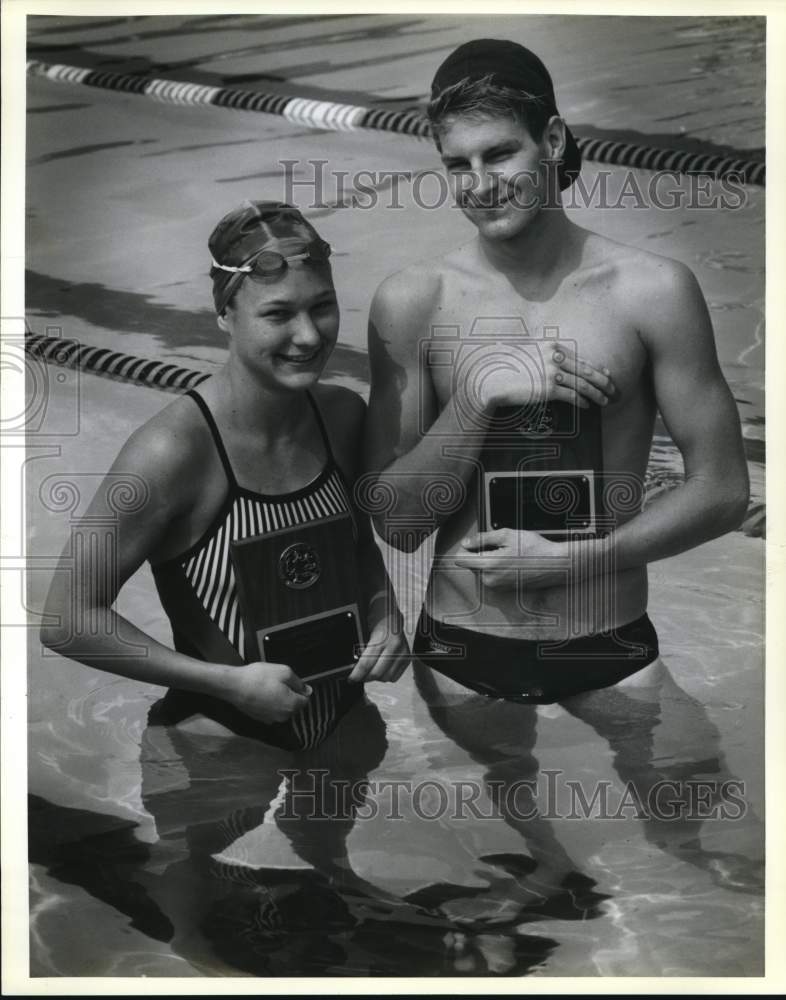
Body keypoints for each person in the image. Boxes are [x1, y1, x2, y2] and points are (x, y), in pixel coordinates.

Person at [363, 40, 756, 916]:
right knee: (535, 882)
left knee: (725, 859)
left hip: (610, 644)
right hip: (465, 656)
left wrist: (570, 563)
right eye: (456, 165)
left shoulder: (652, 290)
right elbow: (393, 519)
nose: (480, 183)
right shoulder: (413, 301)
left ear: (553, 140)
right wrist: (476, 394)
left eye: (499, 152)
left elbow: (724, 491)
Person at [41, 198, 409, 750]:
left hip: (343, 717)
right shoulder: (169, 452)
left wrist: (388, 614)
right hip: (215, 741)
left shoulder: (340, 417)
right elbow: (67, 618)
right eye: (278, 314)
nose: (309, 336)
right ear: (225, 316)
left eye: (323, 306)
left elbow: (357, 550)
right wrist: (230, 684)